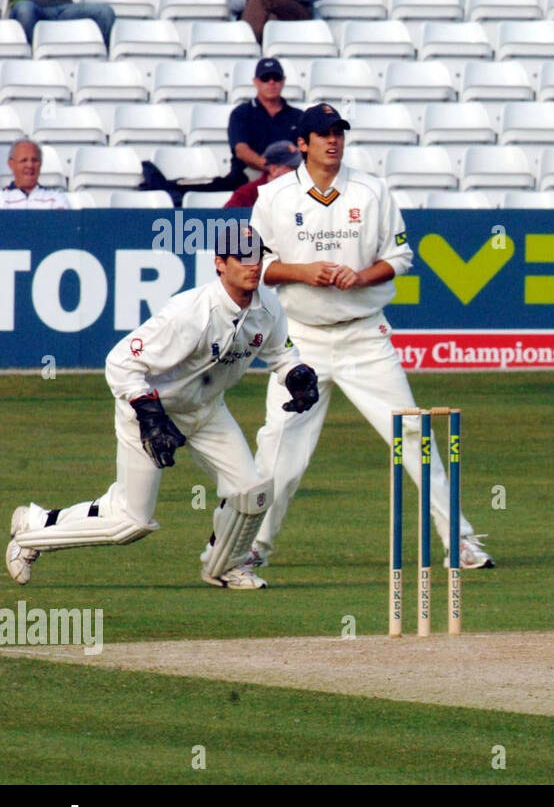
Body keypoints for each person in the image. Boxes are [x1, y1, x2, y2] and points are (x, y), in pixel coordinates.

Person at [247, 103, 493, 572]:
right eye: (322, 135)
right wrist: (304, 272)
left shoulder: (371, 189)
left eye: (338, 132)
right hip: (300, 342)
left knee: (416, 435)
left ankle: (459, 541)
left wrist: (360, 278)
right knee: (280, 451)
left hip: (365, 337)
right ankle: (253, 546)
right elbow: (256, 267)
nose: (332, 141)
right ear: (302, 143)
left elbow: (399, 258)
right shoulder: (275, 196)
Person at [6, 225, 318, 591]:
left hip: (207, 411)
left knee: (251, 494)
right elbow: (120, 362)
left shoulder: (268, 306)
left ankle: (223, 566)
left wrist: (294, 373)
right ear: (220, 263)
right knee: (130, 522)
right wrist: (149, 415)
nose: (253, 266)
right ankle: (30, 535)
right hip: (151, 411)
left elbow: (280, 350)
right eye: (242, 258)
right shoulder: (190, 312)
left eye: (257, 257)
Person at [227, 58, 304, 184]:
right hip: (250, 176)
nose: (271, 82)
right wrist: (270, 167)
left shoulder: (299, 116)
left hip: (290, 175)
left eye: (276, 78)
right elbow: (241, 150)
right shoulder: (241, 113)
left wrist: (285, 171)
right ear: (256, 82)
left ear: (283, 81)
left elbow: (305, 149)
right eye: (265, 78)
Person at [223, 140, 300, 208]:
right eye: (294, 168)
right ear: (274, 170)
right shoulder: (246, 195)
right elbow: (225, 221)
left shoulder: (305, 192)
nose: (300, 172)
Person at [1, 139, 68, 209]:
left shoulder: (55, 198)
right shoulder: (2, 198)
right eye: (23, 160)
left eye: (34, 160)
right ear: (11, 164)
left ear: (41, 164)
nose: (30, 165)